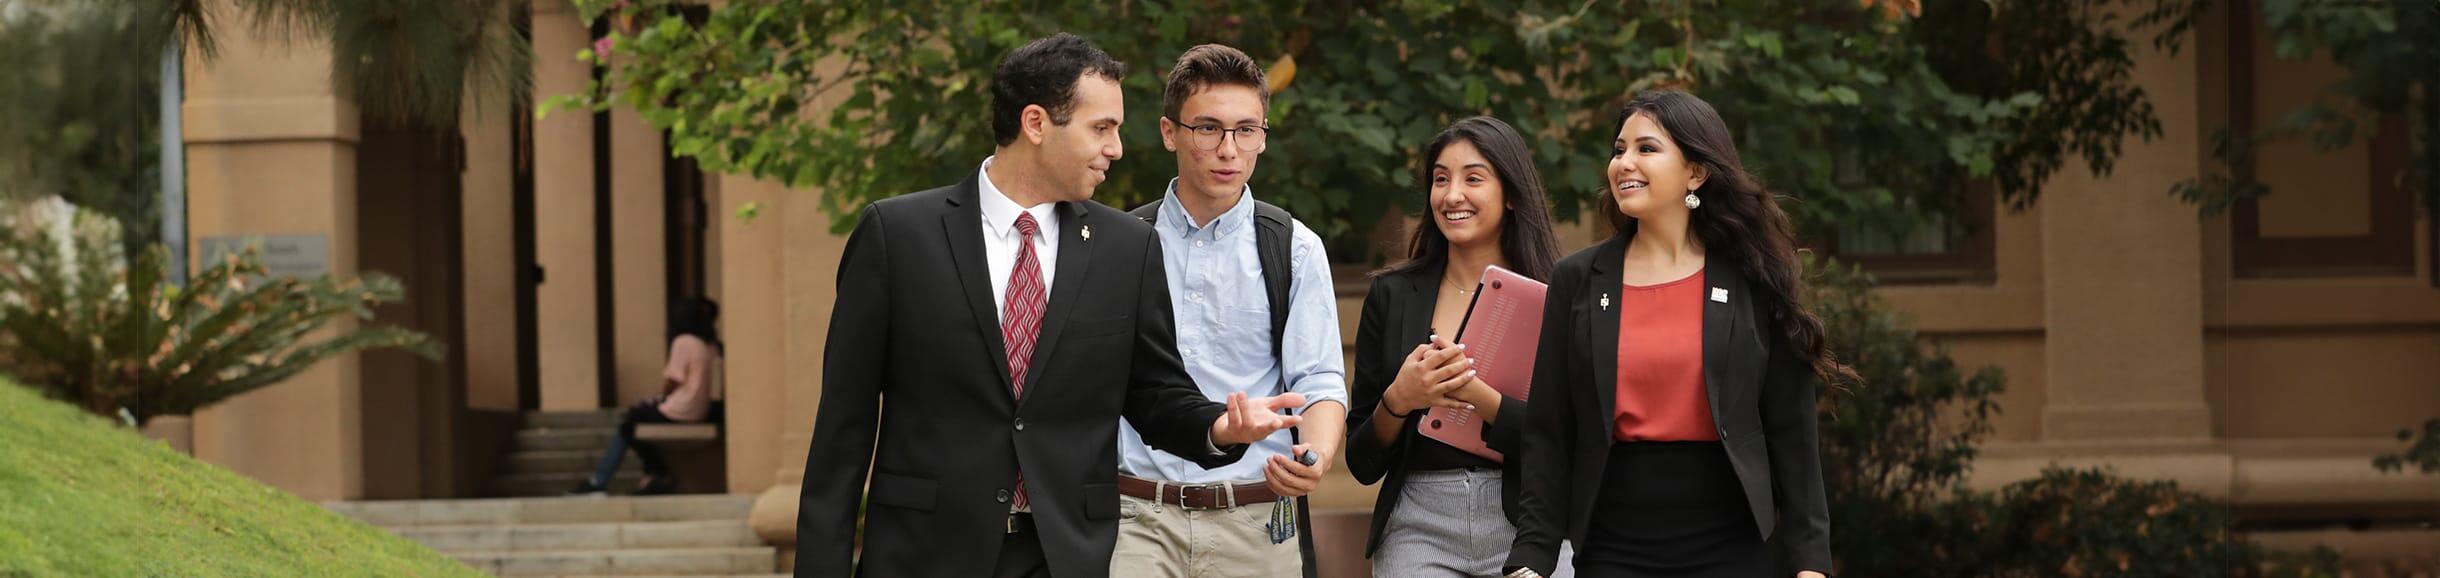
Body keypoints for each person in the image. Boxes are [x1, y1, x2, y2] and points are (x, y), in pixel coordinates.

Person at [794, 33, 1306, 578]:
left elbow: (1154, 393)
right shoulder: (896, 236)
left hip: (1064, 557)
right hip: (923, 554)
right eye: (1101, 128)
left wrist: (1217, 428)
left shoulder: (1127, 248)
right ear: (1036, 124)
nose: (1116, 148)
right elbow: (841, 436)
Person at [1504, 90, 1840, 578]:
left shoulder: (1751, 276)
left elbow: (1791, 428)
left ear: (1696, 173)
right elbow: (1549, 432)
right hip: (1612, 544)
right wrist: (1532, 558)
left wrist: (1812, 561)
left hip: (1730, 543)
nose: (1623, 163)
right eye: (1619, 150)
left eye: (1646, 148)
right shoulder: (1577, 279)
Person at [1108, 44, 1348, 578]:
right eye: (1209, 129)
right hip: (1135, 518)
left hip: (1256, 519)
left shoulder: (1294, 248)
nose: (1228, 150)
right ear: (1171, 133)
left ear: (1263, 136)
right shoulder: (1118, 244)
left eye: (1246, 130)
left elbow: (1321, 382)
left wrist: (1316, 457)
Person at [1344, 116, 1569, 577]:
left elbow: (1568, 438)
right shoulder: (1392, 295)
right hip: (1417, 525)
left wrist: (1478, 396)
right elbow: (1361, 461)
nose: (1452, 196)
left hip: (1530, 522)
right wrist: (1400, 399)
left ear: (1510, 194)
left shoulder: (1558, 296)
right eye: (1440, 179)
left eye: (1473, 178)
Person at [568, 297, 724, 496]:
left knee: (629, 424)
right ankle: (650, 473)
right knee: (637, 420)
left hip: (681, 409)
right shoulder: (711, 346)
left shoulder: (684, 342)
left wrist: (662, 397)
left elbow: (673, 380)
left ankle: (606, 479)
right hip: (701, 409)